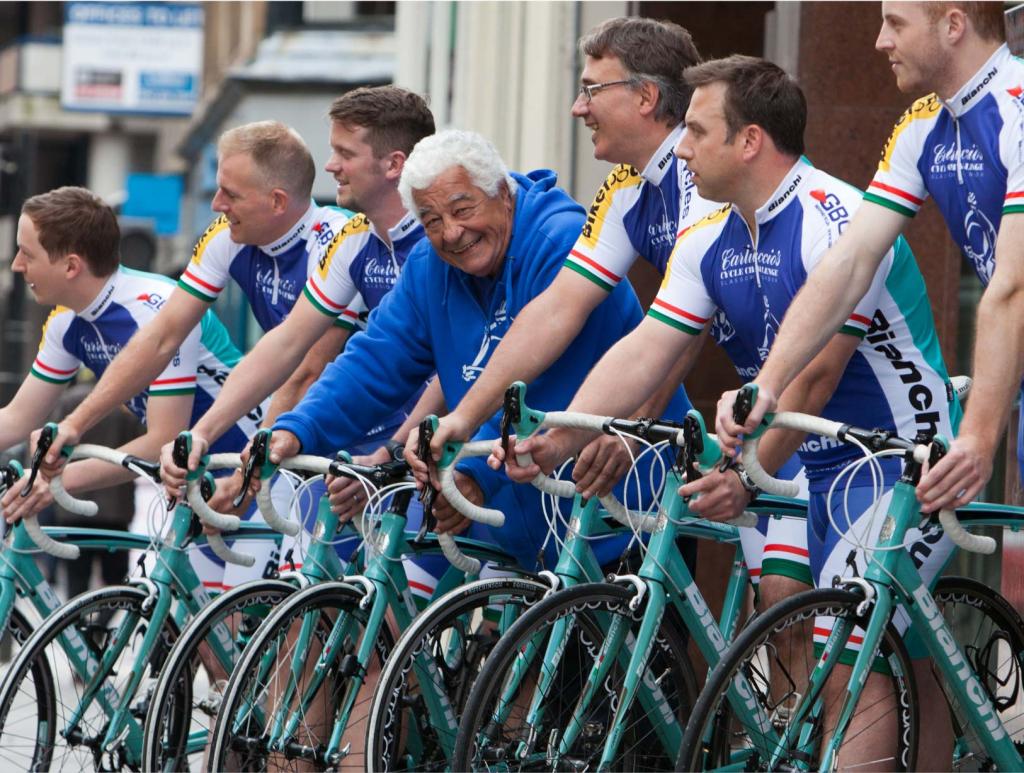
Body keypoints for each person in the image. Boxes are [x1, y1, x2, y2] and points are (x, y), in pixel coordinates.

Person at [495, 56, 959, 769]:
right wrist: (560, 433)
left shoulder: (830, 218)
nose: (680, 149)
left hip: (892, 451)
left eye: (697, 131)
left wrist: (746, 474)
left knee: (845, 655)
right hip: (799, 450)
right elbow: (650, 345)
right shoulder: (709, 231)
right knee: (798, 624)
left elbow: (818, 374)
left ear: (749, 142)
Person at [266, 128, 684, 572]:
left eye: (462, 209)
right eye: (431, 221)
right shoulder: (430, 267)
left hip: (623, 508)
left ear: (503, 193)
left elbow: (547, 385)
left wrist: (475, 474)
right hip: (520, 521)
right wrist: (299, 428)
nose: (451, 232)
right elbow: (375, 359)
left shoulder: (557, 239)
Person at [716, 1, 1017, 515]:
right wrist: (769, 382)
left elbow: (1012, 289)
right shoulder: (921, 126)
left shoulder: (1018, 107)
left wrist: (978, 438)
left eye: (896, 23)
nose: (879, 41)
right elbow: (849, 261)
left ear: (953, 25)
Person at [413, 16, 712, 497]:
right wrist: (465, 418)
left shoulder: (703, 179)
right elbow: (555, 310)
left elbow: (685, 325)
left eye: (591, 89)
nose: (578, 108)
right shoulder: (624, 187)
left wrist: (633, 425)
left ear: (645, 97)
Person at [159, 88, 438, 557]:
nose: (330, 166)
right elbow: (285, 347)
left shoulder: (437, 238)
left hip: (430, 449)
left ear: (393, 165)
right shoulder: (355, 239)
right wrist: (202, 432)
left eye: (344, 153)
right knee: (311, 614)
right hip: (364, 455)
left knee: (393, 613)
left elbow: (313, 369)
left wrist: (390, 451)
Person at [38, 122, 349, 477]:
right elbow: (162, 336)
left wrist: (247, 477)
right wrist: (74, 424)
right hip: (301, 427)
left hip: (371, 429)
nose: (217, 204)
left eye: (230, 194)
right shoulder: (225, 236)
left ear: (277, 200)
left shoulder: (337, 239)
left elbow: (308, 369)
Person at [0, 187, 260, 590]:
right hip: (196, 477)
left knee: (269, 635)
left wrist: (56, 482)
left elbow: (163, 436)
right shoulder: (65, 323)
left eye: (27, 254)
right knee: (199, 640)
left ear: (71, 266)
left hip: (253, 468)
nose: (17, 265)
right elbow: (17, 419)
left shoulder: (153, 306)